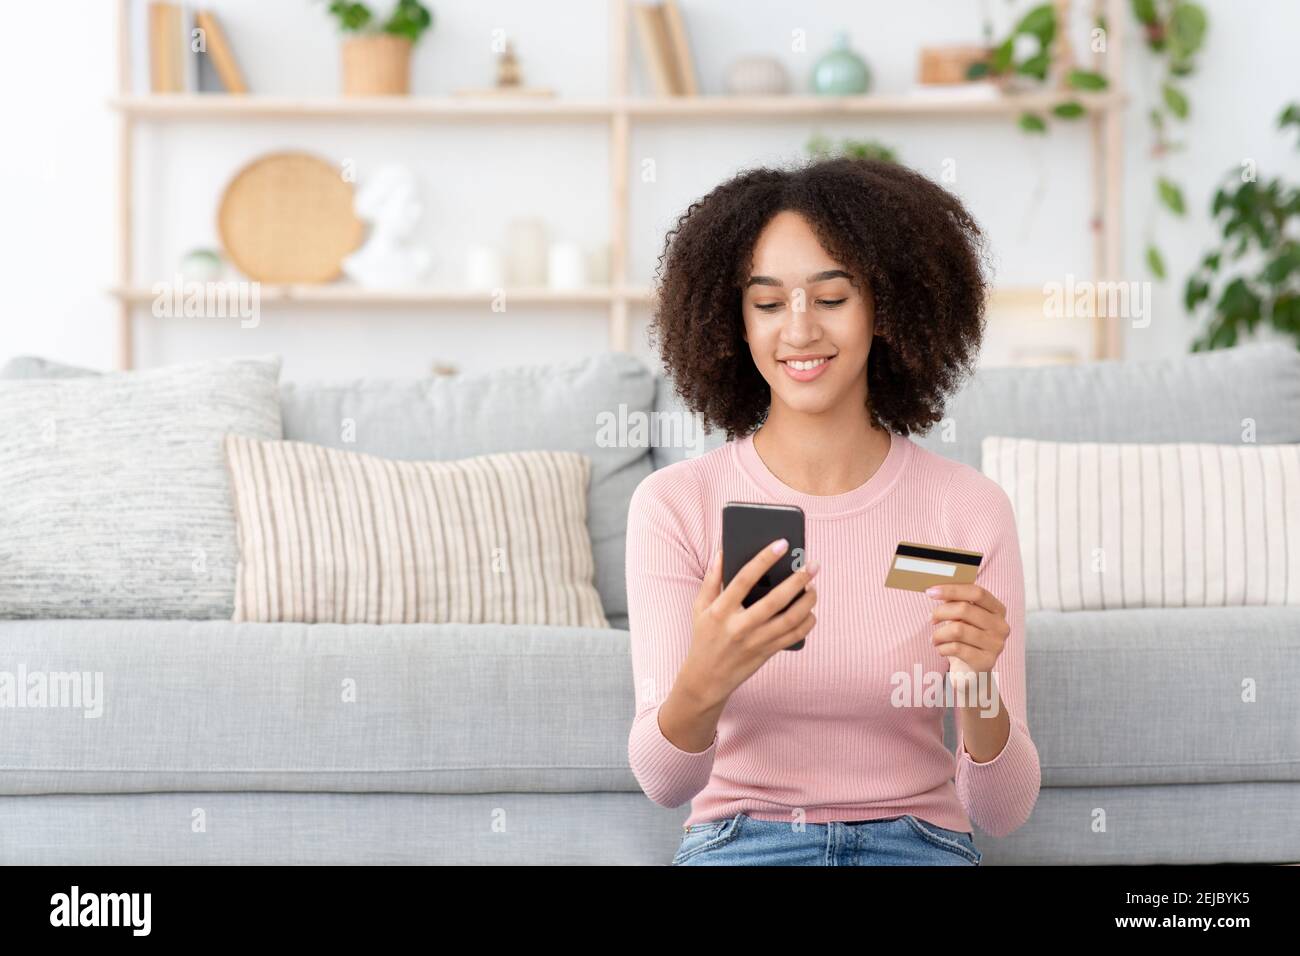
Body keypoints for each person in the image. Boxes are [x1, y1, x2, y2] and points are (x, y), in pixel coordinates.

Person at [625, 157, 1040, 866]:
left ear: (886, 308)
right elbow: (666, 783)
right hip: (740, 841)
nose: (799, 329)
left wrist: (978, 687)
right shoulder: (677, 505)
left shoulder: (967, 508)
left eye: (832, 297)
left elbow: (1001, 812)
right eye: (767, 302)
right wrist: (708, 676)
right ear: (736, 324)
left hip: (920, 842)